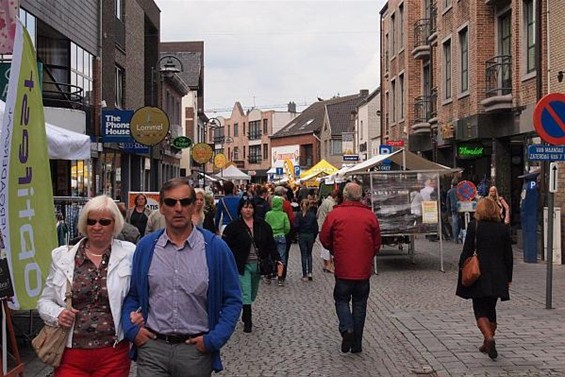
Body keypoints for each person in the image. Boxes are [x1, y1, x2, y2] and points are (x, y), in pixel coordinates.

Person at [121, 177, 242, 376]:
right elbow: (133, 295)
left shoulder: (215, 248)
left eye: (185, 202)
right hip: (152, 349)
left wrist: (213, 340)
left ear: (194, 206)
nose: (178, 208)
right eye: (170, 202)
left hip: (194, 352)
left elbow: (233, 299)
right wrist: (132, 331)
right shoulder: (146, 247)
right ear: (161, 207)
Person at [37, 195, 136, 377]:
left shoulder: (129, 254)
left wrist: (138, 314)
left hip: (113, 352)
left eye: (104, 222)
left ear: (115, 224)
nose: (97, 227)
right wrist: (58, 314)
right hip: (70, 353)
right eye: (91, 221)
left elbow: (139, 294)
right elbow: (44, 301)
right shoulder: (62, 257)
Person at [320, 182, 381, 354]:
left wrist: (334, 249)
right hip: (362, 270)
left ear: (345, 195)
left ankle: (347, 328)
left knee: (341, 300)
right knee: (360, 304)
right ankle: (357, 344)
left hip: (343, 268)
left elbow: (324, 237)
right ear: (361, 196)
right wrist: (367, 256)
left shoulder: (336, 214)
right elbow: (377, 243)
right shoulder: (369, 216)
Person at [456, 198, 513, 360]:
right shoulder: (503, 229)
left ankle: (488, 337)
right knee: (491, 307)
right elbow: (508, 256)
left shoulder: (475, 226)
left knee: (479, 308)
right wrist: (508, 277)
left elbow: (467, 250)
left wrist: (462, 268)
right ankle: (487, 341)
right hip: (498, 273)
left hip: (479, 272)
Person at [222, 197, 281, 333]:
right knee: (246, 292)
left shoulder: (262, 225)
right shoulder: (234, 227)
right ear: (240, 209)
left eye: (250, 207)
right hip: (242, 264)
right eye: (245, 207)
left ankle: (245, 311)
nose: (248, 210)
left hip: (258, 264)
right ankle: (248, 321)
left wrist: (277, 258)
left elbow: (271, 243)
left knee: (252, 293)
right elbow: (225, 246)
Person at [265, 194, 291, 286]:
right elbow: (288, 227)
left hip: (271, 237)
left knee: (269, 256)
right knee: (281, 256)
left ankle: (268, 275)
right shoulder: (284, 214)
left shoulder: (268, 214)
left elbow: (265, 226)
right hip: (281, 236)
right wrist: (283, 232)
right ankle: (280, 278)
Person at [295, 199, 319, 281]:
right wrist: (314, 237)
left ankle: (304, 274)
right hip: (310, 236)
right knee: (309, 254)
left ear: (301, 206)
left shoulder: (298, 215)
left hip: (302, 235)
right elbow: (316, 227)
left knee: (303, 255)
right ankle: (310, 272)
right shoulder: (312, 215)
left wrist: (297, 234)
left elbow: (296, 226)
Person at [317, 190, 337, 273]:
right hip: (327, 227)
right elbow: (332, 215)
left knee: (323, 247)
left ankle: (326, 264)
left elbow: (317, 213)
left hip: (321, 225)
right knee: (328, 246)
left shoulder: (324, 201)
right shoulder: (331, 203)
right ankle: (329, 266)